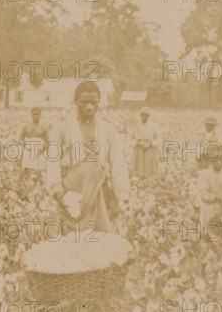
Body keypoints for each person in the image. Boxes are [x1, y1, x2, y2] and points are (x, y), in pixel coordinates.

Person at [46, 81, 130, 235]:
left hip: (99, 193)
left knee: (99, 240)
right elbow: (53, 163)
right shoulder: (62, 128)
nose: (89, 107)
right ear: (76, 101)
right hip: (71, 194)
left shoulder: (108, 130)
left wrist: (119, 197)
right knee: (71, 241)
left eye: (94, 102)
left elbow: (118, 164)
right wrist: (59, 193)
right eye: (84, 102)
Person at [130, 106, 162, 183]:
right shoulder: (136, 125)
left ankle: (149, 180)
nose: (144, 117)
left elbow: (159, 139)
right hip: (138, 149)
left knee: (150, 170)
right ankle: (138, 179)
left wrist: (151, 143)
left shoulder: (154, 126)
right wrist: (136, 143)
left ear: (149, 116)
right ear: (140, 115)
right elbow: (130, 138)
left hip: (149, 149)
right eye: (142, 115)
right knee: (138, 170)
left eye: (146, 115)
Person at [19, 107, 49, 179]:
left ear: (40, 115)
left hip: (39, 151)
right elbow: (20, 138)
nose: (35, 116)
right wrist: (24, 144)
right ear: (31, 115)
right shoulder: (26, 126)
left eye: (37, 114)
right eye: (34, 114)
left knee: (39, 171)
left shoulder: (43, 127)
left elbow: (48, 142)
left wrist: (42, 148)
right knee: (26, 169)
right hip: (28, 150)